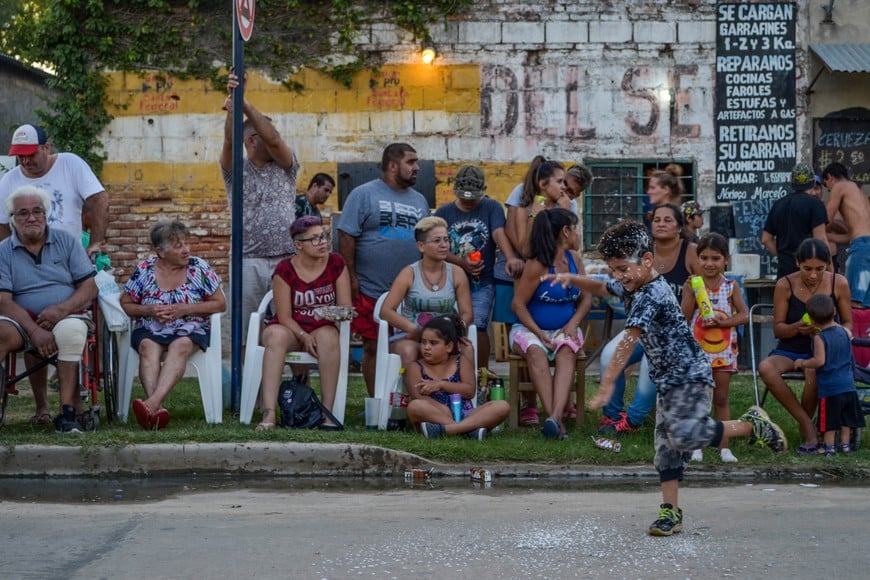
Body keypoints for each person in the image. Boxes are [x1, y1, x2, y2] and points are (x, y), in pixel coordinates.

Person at [543, 220, 786, 536]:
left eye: (622, 268)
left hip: (688, 375)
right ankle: (670, 512)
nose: (619, 276)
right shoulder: (633, 282)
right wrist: (571, 279)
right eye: (614, 269)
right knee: (666, 449)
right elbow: (603, 286)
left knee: (684, 435)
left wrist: (607, 384)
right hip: (667, 380)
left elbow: (628, 340)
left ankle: (751, 425)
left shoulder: (651, 295)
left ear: (646, 260)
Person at [0, 186, 97, 432]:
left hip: (65, 314)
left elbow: (89, 287)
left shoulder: (66, 241)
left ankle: (67, 413)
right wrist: (34, 330)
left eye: (37, 211)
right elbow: (3, 300)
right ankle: (38, 406)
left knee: (71, 331)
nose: (31, 218)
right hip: (20, 320)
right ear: (12, 219)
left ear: (46, 214)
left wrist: (61, 310)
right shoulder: (3, 251)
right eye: (23, 213)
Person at [598, 203, 699, 436]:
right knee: (608, 355)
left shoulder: (691, 252)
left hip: (674, 332)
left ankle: (633, 421)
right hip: (644, 328)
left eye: (668, 220)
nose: (661, 224)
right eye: (657, 220)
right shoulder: (637, 251)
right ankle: (613, 415)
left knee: (649, 365)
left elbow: (698, 296)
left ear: (680, 227)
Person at [337, 143, 429, 396]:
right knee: (373, 346)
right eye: (411, 162)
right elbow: (346, 235)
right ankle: (377, 402)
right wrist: (351, 276)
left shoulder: (420, 200)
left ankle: (410, 400)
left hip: (410, 292)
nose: (417, 168)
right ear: (392, 165)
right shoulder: (363, 194)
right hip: (371, 287)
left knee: (414, 344)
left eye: (416, 162)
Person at [120, 220, 226, 430]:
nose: (186, 250)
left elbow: (220, 304)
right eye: (179, 246)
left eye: (187, 243)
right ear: (160, 251)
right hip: (151, 327)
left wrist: (184, 309)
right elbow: (126, 303)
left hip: (190, 328)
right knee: (147, 347)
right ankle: (155, 411)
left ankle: (151, 405)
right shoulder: (145, 270)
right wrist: (149, 310)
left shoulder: (198, 268)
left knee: (181, 345)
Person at [219, 73, 299, 343]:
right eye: (264, 131)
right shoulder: (235, 169)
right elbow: (230, 141)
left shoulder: (286, 165)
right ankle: (246, 373)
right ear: (251, 140)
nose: (275, 137)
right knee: (246, 334)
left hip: (286, 258)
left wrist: (242, 102)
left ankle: (289, 374)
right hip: (247, 260)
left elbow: (274, 140)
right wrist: (234, 103)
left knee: (290, 328)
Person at [503, 157, 579, 425]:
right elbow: (526, 248)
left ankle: (557, 413)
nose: (564, 186)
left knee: (566, 349)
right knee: (535, 349)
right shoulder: (527, 202)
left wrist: (565, 210)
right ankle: (538, 407)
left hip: (559, 310)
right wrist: (537, 214)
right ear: (542, 184)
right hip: (532, 280)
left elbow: (574, 245)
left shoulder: (566, 204)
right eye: (559, 181)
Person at [757, 238, 852, 454]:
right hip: (792, 347)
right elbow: (779, 329)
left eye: (820, 269)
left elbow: (848, 324)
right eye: (807, 268)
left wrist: (833, 331)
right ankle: (807, 424)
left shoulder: (839, 283)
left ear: (828, 264)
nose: (813, 275)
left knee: (814, 369)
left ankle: (808, 430)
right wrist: (798, 327)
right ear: (797, 263)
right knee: (766, 367)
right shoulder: (785, 284)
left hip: (825, 350)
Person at [255, 216, 351, 431]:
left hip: (321, 326)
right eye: (315, 239)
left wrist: (330, 312)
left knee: (329, 336)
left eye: (324, 236)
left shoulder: (336, 263)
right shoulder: (284, 269)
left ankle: (327, 413)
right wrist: (302, 335)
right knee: (275, 336)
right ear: (298, 244)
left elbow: (345, 306)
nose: (322, 242)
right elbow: (284, 316)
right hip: (290, 328)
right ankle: (269, 413)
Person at [510, 208, 591, 440]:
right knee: (536, 352)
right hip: (529, 329)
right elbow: (518, 305)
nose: (577, 234)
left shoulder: (575, 260)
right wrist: (538, 333)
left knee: (567, 350)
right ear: (565, 232)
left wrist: (573, 323)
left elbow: (586, 299)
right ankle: (557, 422)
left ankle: (554, 418)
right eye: (575, 229)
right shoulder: (538, 265)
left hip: (565, 328)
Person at [435, 165, 523, 369]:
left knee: (478, 327)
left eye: (473, 199)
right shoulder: (444, 213)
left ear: (483, 191)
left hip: (481, 281)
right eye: (463, 198)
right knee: (446, 329)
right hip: (449, 280)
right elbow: (439, 249)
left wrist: (510, 257)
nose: (468, 203)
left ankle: (482, 374)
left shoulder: (492, 207)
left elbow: (498, 233)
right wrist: (462, 263)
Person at [681, 233, 749, 463]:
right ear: (697, 259)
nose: (709, 263)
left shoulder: (731, 287)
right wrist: (689, 293)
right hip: (697, 352)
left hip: (724, 352)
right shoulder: (693, 284)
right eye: (704, 258)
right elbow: (684, 316)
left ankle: (724, 446)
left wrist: (723, 323)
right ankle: (696, 445)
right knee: (699, 399)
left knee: (720, 398)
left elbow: (744, 315)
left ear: (725, 260)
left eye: (715, 258)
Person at [0, 124, 109, 255]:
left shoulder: (70, 164)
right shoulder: (9, 180)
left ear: (46, 148)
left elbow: (99, 200)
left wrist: (95, 243)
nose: (26, 161)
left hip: (69, 257)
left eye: (31, 155)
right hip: (29, 261)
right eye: (20, 156)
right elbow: (1, 223)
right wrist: (13, 253)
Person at [379, 216, 473, 370]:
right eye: (437, 241)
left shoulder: (457, 273)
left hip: (445, 337)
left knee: (467, 349)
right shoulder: (409, 273)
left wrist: (457, 330)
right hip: (412, 336)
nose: (444, 245)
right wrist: (414, 329)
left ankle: (461, 386)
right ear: (421, 246)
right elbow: (386, 311)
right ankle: (414, 386)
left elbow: (467, 313)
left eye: (446, 240)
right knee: (409, 350)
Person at [408, 315, 509, 440]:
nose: (426, 347)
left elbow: (469, 391)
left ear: (449, 346)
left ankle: (448, 430)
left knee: (502, 406)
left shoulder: (460, 361)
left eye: (433, 343)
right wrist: (442, 409)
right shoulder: (416, 366)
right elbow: (417, 395)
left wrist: (441, 384)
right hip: (436, 415)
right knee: (415, 406)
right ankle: (468, 430)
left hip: (466, 414)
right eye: (423, 342)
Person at [795, 294, 865, 455]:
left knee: (829, 421)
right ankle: (845, 446)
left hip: (831, 389)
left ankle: (828, 447)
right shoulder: (845, 331)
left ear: (811, 320)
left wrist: (802, 363)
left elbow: (819, 361)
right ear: (834, 311)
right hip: (849, 386)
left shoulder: (820, 338)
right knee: (845, 420)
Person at [761, 163, 830, 279]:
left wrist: (782, 257)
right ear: (813, 182)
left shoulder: (778, 205)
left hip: (785, 272)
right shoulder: (815, 204)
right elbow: (821, 239)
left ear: (791, 183)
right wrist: (830, 269)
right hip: (809, 272)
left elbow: (766, 239)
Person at [821, 162, 870, 306]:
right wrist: (825, 236)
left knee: (852, 300)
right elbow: (851, 236)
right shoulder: (859, 193)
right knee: (866, 303)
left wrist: (814, 228)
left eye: (827, 187)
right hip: (864, 245)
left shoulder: (840, 186)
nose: (829, 190)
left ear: (830, 177)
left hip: (861, 248)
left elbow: (826, 219)